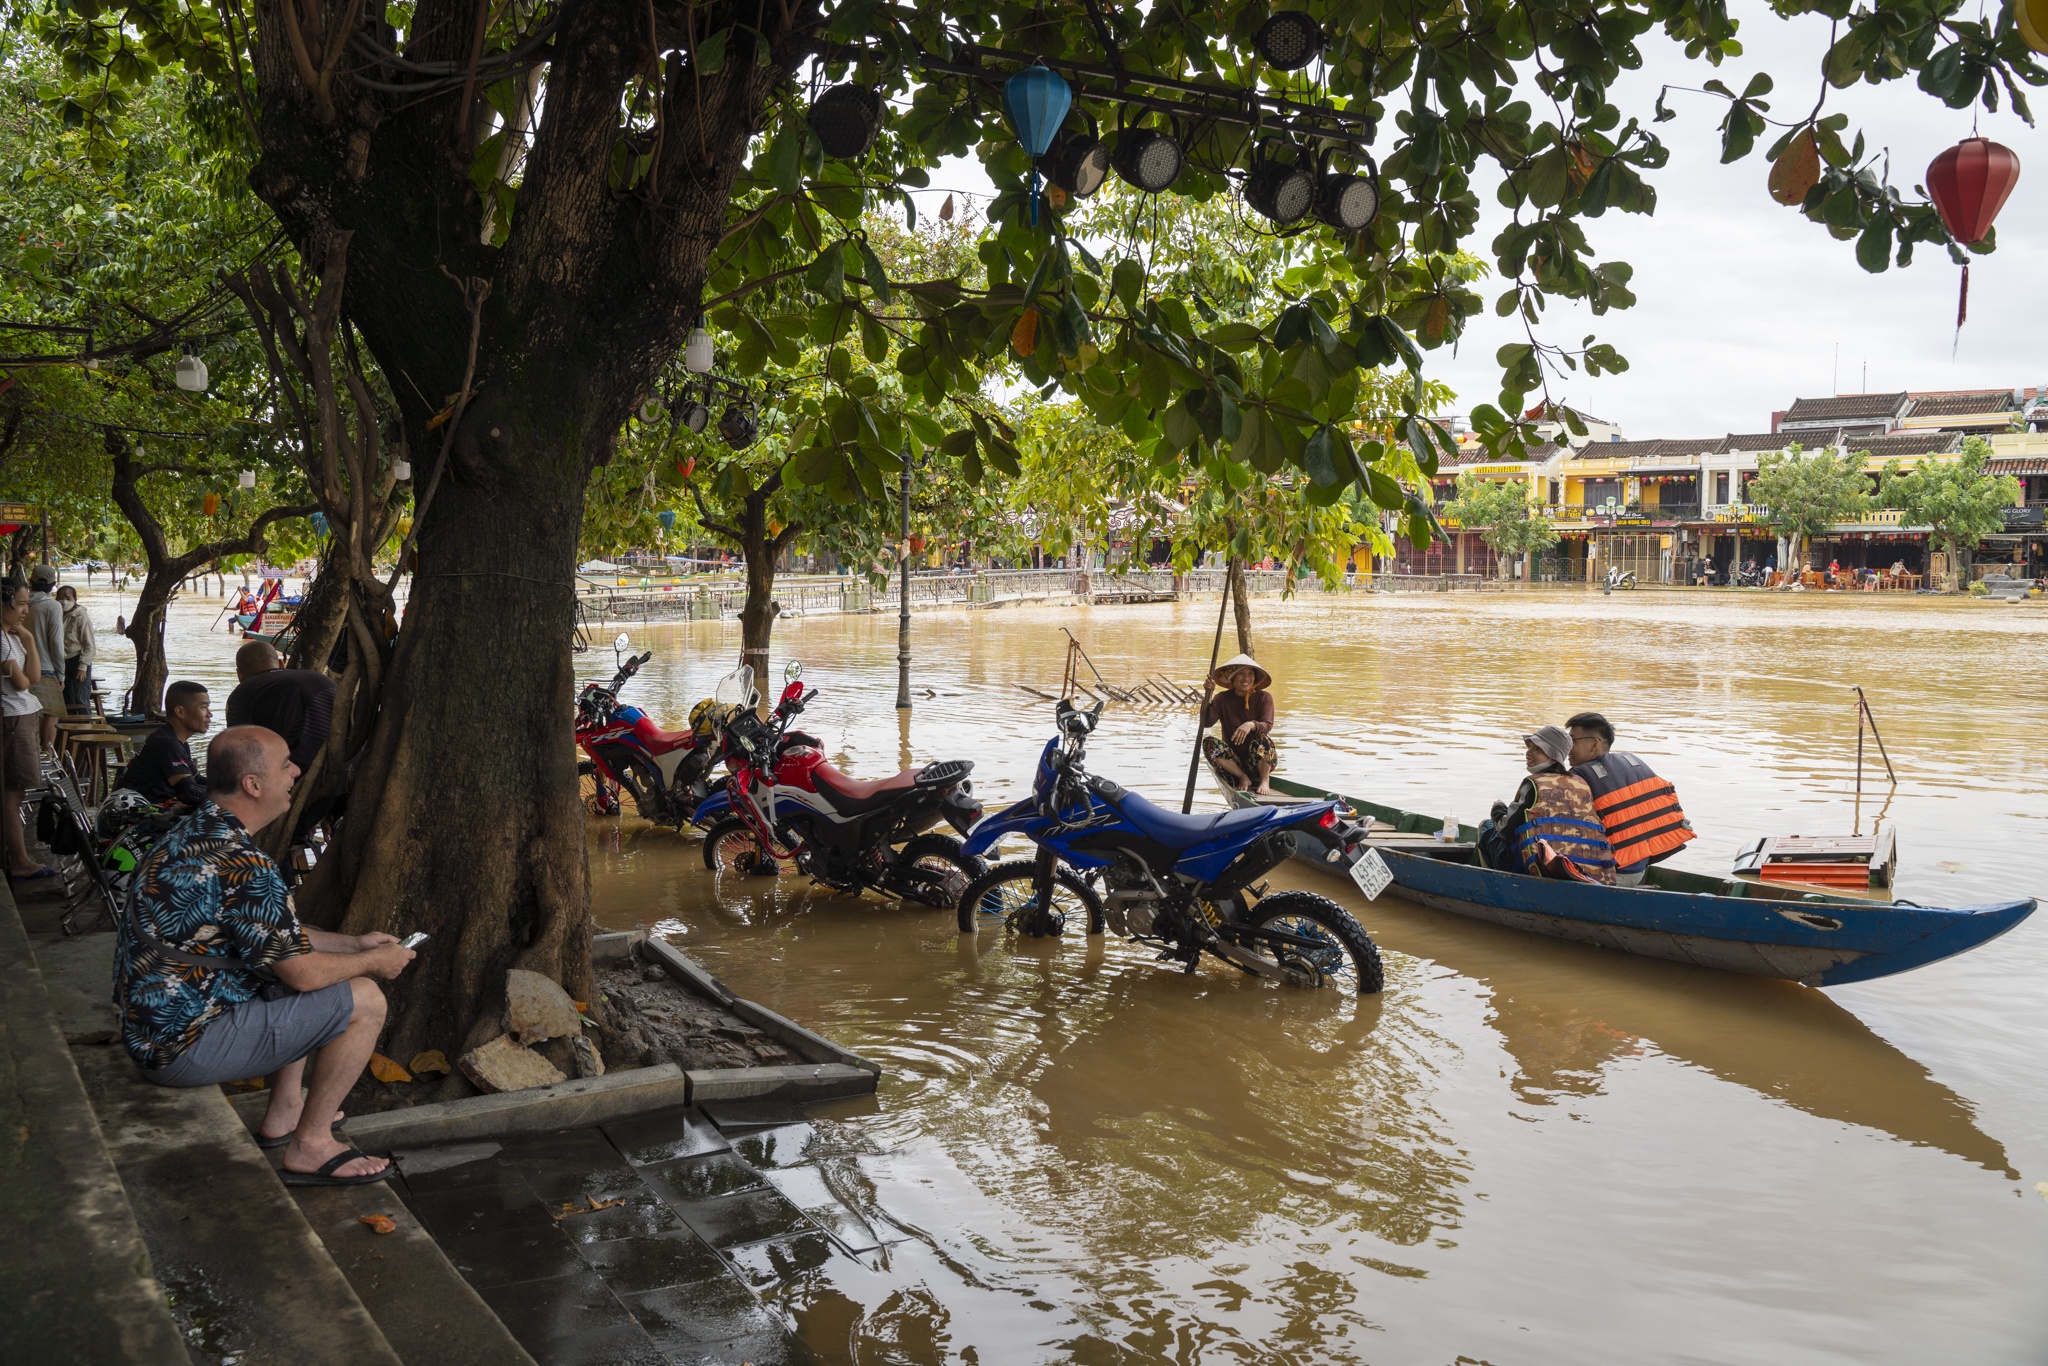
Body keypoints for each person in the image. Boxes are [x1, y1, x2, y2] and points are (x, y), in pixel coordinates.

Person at [114, 725, 414, 1185]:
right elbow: (304, 974)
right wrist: (373, 963)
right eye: (285, 764)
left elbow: (274, 935)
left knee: (286, 971)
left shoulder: (195, 830)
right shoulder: (243, 864)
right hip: (180, 1048)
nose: (296, 771)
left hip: (151, 1030)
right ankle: (312, 1146)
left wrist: (354, 944)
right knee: (365, 999)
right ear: (253, 784)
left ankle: (285, 1111)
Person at [1564, 712, 1695, 887]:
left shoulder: (1579, 777)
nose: (1567, 748)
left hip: (1606, 876)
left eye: (1572, 741)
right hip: (1639, 872)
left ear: (1594, 744)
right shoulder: (1634, 763)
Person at [1478, 725, 1616, 884]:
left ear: (1553, 756)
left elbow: (1504, 830)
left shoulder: (1533, 784)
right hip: (1581, 867)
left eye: (1537, 749)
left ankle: (1493, 885)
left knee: (1486, 827)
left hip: (1537, 867)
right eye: (1529, 747)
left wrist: (1497, 809)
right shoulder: (1581, 783)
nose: (1529, 752)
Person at [3, 580, 57, 883]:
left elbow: (33, 676)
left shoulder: (11, 636)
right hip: (13, 720)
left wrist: (29, 639)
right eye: (21, 604)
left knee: (17, 792)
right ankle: (20, 861)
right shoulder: (1, 641)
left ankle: (18, 857)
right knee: (12, 795)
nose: (26, 610)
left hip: (22, 716)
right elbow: (22, 683)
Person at [227, 638, 336, 776]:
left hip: (291, 777)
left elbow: (237, 750)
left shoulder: (243, 693)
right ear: (281, 663)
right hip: (344, 767)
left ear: (239, 674)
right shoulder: (322, 679)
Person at [115, 680, 212, 808]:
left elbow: (197, 779)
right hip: (135, 814)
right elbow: (189, 793)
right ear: (180, 712)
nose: (210, 714)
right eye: (203, 708)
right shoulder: (167, 743)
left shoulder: (176, 741)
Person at [1201, 653, 1277, 796]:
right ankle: (1243, 777)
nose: (1246, 679)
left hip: (1257, 762)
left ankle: (1264, 779)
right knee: (1209, 743)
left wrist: (1250, 725)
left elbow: (1267, 724)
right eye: (1241, 674)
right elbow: (1206, 722)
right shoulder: (1222, 698)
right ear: (1232, 677)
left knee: (1263, 739)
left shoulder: (1264, 697)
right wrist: (1208, 695)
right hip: (1233, 764)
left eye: (1250, 674)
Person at [27, 566, 66, 750]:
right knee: (51, 715)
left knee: (30, 714)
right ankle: (47, 755)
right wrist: (61, 674)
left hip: (20, 667)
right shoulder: (52, 606)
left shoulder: (20, 603)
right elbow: (56, 643)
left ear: (30, 582)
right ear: (53, 585)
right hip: (45, 668)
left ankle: (33, 753)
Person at [56, 584, 96, 713]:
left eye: (68, 598)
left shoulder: (81, 617)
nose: (64, 601)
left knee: (81, 697)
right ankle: (70, 725)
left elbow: (89, 645)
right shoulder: (55, 615)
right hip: (62, 661)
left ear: (75, 600)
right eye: (60, 598)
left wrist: (83, 666)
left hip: (78, 660)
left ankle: (86, 724)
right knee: (66, 697)